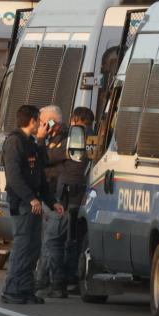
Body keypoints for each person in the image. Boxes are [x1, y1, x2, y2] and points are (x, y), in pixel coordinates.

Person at [1, 104, 63, 305]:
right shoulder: (14, 142)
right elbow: (14, 177)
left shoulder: (31, 142)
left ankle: (25, 289)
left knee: (33, 248)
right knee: (22, 246)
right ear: (32, 121)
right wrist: (30, 198)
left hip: (34, 203)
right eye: (39, 120)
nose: (42, 124)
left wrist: (52, 202)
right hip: (22, 203)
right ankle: (11, 289)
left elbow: (41, 169)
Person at [58, 107, 94, 295]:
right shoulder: (97, 139)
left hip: (70, 190)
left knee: (67, 235)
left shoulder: (74, 137)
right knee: (79, 236)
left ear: (76, 119)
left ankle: (67, 277)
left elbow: (53, 156)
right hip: (86, 190)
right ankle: (77, 276)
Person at [35, 105, 69, 299]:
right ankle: (44, 279)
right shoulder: (51, 140)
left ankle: (54, 283)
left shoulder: (65, 141)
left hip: (58, 197)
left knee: (52, 242)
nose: (41, 126)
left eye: (43, 122)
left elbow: (44, 159)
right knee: (46, 242)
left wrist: (40, 139)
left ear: (51, 123)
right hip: (48, 195)